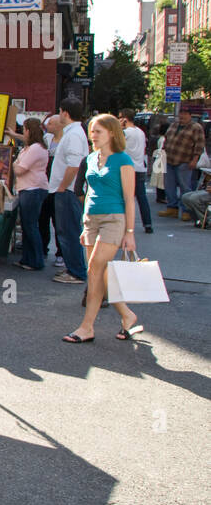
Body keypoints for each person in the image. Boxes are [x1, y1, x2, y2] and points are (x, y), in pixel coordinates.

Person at [62, 115, 140, 343]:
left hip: (113, 219)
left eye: (98, 131)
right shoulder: (92, 157)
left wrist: (130, 232)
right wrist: (85, 224)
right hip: (91, 219)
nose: (92, 135)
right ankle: (126, 314)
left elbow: (129, 197)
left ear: (112, 133)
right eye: (92, 131)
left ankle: (87, 327)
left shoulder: (123, 160)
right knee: (95, 273)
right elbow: (88, 192)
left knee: (96, 269)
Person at [48, 99, 89, 285]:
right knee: (67, 231)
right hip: (67, 189)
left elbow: (74, 166)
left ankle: (76, 271)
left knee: (68, 231)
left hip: (67, 190)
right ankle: (74, 267)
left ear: (65, 113)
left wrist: (63, 186)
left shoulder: (73, 135)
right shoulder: (73, 133)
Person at [13, 117, 50, 270]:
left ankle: (36, 260)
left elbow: (20, 169)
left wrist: (15, 163)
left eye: (24, 129)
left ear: (29, 130)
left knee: (30, 226)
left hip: (32, 189)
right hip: (29, 188)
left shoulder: (35, 148)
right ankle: (28, 259)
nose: (23, 132)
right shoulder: (34, 147)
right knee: (28, 226)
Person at [158, 110, 206, 219]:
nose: (182, 116)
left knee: (185, 187)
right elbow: (166, 140)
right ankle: (172, 208)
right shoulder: (174, 125)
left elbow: (199, 145)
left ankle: (186, 211)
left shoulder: (196, 127)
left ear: (190, 115)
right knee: (169, 185)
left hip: (185, 161)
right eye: (181, 113)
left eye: (184, 114)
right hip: (170, 159)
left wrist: (195, 160)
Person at [119, 109, 153, 233]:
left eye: (120, 118)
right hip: (140, 167)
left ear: (125, 119)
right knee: (141, 197)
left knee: (125, 198)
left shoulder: (125, 133)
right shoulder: (141, 132)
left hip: (127, 168)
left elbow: (118, 147)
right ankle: (148, 224)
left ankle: (124, 224)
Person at [40, 114, 63, 265]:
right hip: (44, 184)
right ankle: (43, 248)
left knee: (58, 221)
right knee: (42, 218)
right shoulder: (47, 138)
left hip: (58, 185)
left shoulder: (65, 140)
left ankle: (60, 253)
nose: (48, 126)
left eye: (51, 123)